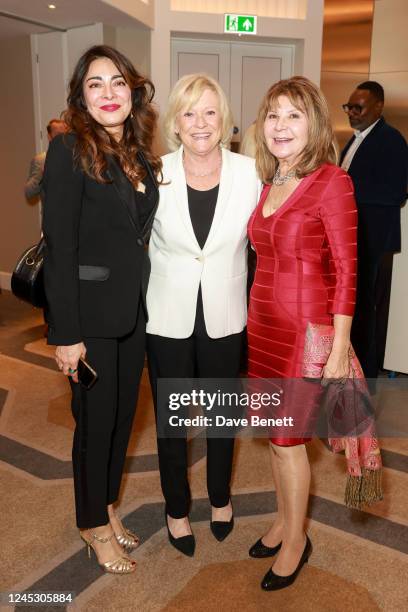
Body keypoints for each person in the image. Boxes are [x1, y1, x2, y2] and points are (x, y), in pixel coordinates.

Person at [42, 45, 161, 574]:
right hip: (88, 319)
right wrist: (65, 334)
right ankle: (91, 524)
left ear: (132, 92)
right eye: (96, 84)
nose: (108, 93)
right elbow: (60, 248)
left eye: (117, 82)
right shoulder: (69, 151)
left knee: (121, 423)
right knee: (94, 424)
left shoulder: (136, 152)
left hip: (133, 314)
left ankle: (107, 505)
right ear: (81, 95)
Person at [247, 76, 357, 591]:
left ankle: (297, 541)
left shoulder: (332, 181)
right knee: (274, 438)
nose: (280, 125)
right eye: (273, 115)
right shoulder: (272, 181)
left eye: (293, 115)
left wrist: (339, 345)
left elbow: (348, 270)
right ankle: (281, 521)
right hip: (263, 326)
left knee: (290, 440)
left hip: (303, 331)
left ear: (313, 123)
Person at [146, 73, 259, 556]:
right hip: (166, 316)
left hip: (225, 315)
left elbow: (267, 244)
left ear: (224, 119)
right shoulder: (152, 174)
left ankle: (219, 499)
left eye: (210, 112)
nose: (200, 122)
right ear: (174, 121)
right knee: (173, 420)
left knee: (220, 415)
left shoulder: (252, 173)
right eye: (189, 112)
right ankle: (176, 508)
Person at [340, 81, 408, 381]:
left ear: (378, 107)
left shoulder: (391, 140)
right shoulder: (355, 139)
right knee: (355, 307)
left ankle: (364, 375)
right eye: (349, 107)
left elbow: (397, 192)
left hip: (374, 239)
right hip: (355, 239)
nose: (352, 113)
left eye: (358, 107)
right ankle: (351, 366)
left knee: (367, 309)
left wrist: (347, 195)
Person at [24, 119, 68, 200]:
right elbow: (28, 192)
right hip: (50, 211)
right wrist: (42, 174)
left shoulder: (75, 158)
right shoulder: (41, 160)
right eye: (58, 135)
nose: (62, 138)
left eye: (65, 134)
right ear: (49, 137)